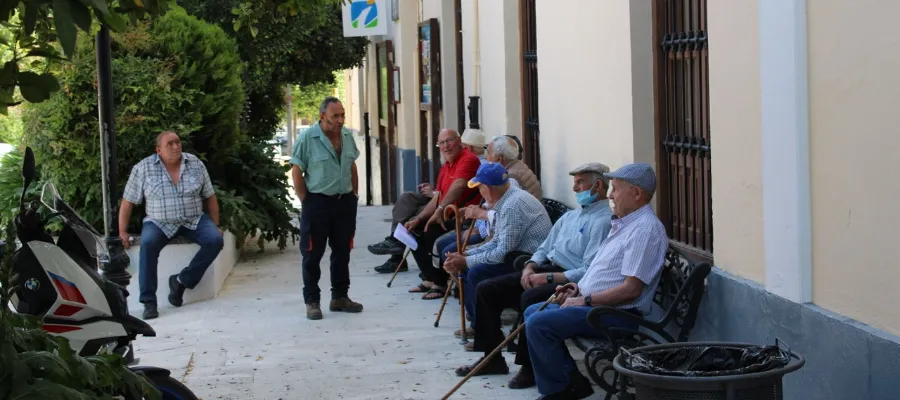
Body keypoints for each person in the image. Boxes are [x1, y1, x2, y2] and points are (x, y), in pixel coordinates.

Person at [452, 163, 614, 383]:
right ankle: (491, 358)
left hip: (569, 280)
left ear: (597, 186)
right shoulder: (573, 216)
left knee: (530, 298)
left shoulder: (603, 221)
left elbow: (588, 269)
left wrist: (547, 277)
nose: (575, 188)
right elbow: (545, 247)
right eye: (574, 182)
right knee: (487, 289)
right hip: (547, 268)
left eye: (580, 182)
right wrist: (531, 266)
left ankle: (528, 366)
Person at [524, 163, 669, 399]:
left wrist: (585, 300)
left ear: (637, 193)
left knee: (540, 323)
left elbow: (631, 290)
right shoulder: (626, 223)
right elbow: (600, 271)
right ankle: (569, 380)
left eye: (615, 189)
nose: (610, 195)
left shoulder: (644, 230)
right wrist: (576, 289)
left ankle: (561, 389)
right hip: (597, 307)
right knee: (533, 311)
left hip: (617, 315)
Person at [120, 131, 225, 320]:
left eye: (178, 142)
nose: (176, 147)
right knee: (148, 244)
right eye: (170, 144)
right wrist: (122, 231)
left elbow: (210, 196)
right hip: (158, 221)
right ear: (158, 150)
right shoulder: (143, 168)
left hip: (193, 219)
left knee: (215, 239)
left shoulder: (195, 164)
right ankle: (149, 302)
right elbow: (128, 202)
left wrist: (215, 224)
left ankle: (181, 281)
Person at [443, 163, 552, 333]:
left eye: (480, 188)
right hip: (516, 254)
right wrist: (466, 254)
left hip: (526, 260)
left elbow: (502, 252)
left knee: (475, 272)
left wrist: (466, 261)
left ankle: (484, 330)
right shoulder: (507, 199)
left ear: (488, 188)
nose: (480, 193)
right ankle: (478, 323)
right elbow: (497, 242)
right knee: (466, 265)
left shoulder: (512, 205)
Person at [290, 96, 362, 320]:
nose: (340, 120)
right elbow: (296, 170)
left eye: (342, 115)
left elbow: (351, 165)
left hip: (344, 203)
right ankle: (312, 301)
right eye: (335, 116)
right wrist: (306, 200)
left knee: (342, 252)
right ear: (322, 116)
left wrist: (354, 195)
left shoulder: (347, 136)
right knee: (312, 254)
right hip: (318, 203)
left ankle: (339, 297)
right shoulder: (307, 138)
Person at [404, 129, 484, 299]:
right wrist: (418, 218)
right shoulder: (446, 166)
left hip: (465, 218)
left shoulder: (468, 159)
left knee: (432, 230)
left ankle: (440, 284)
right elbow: (438, 197)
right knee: (413, 229)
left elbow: (459, 186)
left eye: (449, 141)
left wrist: (440, 211)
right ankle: (430, 278)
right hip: (449, 214)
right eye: (441, 143)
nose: (446, 146)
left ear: (459, 141)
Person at [486, 136, 542, 200]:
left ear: (499, 158)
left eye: (488, 153)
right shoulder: (518, 164)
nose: (486, 157)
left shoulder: (510, 177)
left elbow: (506, 206)